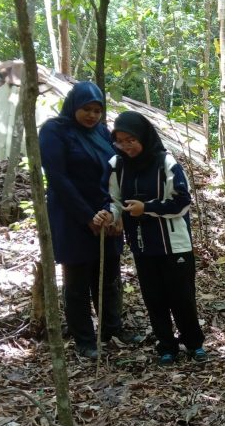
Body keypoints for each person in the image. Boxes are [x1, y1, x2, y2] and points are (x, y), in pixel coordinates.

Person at [39, 81, 139, 359]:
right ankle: (84, 339)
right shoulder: (54, 131)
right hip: (71, 215)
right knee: (78, 280)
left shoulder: (103, 133)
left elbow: (115, 173)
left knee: (109, 276)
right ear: (73, 106)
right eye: (86, 109)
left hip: (105, 213)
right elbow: (58, 178)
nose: (92, 115)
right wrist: (87, 216)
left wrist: (112, 210)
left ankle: (111, 329)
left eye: (97, 110)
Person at [100, 111, 207, 365]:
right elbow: (115, 200)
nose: (126, 146)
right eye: (120, 141)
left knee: (181, 297)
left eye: (131, 140)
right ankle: (166, 345)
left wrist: (146, 208)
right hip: (142, 244)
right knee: (154, 297)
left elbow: (182, 202)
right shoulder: (117, 165)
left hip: (174, 244)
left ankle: (194, 344)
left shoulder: (165, 162)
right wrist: (109, 214)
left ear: (143, 137)